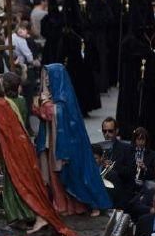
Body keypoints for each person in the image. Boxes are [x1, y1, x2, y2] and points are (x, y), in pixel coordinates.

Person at [0, 71, 77, 236]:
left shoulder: (0, 105)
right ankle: (24, 216)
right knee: (28, 182)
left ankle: (31, 215)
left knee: (18, 182)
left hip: (14, 152)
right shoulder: (20, 101)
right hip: (24, 148)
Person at [32, 64, 112, 216]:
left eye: (48, 79)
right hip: (51, 144)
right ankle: (61, 205)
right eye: (45, 79)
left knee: (73, 175)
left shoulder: (63, 101)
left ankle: (82, 204)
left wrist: (45, 108)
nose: (46, 82)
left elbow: (56, 113)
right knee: (54, 177)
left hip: (65, 147)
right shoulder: (52, 98)